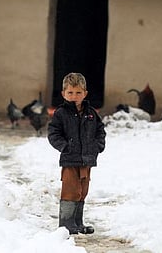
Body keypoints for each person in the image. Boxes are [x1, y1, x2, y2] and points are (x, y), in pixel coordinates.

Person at [47, 72, 106, 235]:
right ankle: (66, 224)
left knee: (82, 191)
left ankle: (77, 223)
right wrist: (64, 146)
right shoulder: (61, 113)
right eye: (70, 92)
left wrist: (98, 145)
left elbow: (100, 131)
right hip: (70, 159)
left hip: (87, 159)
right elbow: (53, 133)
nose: (74, 96)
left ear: (85, 93)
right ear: (63, 94)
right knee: (70, 190)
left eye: (78, 92)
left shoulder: (91, 113)